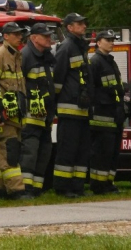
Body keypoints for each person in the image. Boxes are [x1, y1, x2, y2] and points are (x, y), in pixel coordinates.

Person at [52, 13, 93, 197]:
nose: (84, 26)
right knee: (67, 151)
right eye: (79, 24)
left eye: (84, 23)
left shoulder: (80, 47)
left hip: (82, 109)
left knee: (81, 150)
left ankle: (77, 186)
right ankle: (63, 187)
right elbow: (58, 79)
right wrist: (60, 100)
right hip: (69, 109)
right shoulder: (66, 47)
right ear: (69, 27)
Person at [0, 22, 31, 199]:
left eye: (20, 34)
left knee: (4, 152)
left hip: (15, 113)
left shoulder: (17, 55)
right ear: (5, 36)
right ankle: (17, 190)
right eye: (15, 34)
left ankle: (0, 190)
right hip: (4, 114)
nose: (19, 37)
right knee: (10, 150)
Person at [19, 23, 56, 196]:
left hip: (45, 114)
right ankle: (25, 188)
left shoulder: (46, 57)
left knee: (44, 153)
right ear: (34, 38)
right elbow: (17, 86)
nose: (50, 39)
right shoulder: (25, 56)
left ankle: (36, 188)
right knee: (30, 152)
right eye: (45, 36)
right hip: (31, 115)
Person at [88, 29, 125, 195]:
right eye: (108, 40)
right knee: (102, 152)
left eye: (113, 40)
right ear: (98, 42)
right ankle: (98, 185)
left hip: (114, 112)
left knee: (112, 151)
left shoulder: (110, 61)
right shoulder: (95, 62)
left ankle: (109, 182)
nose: (111, 42)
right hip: (101, 115)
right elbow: (91, 88)